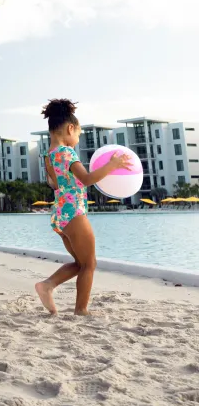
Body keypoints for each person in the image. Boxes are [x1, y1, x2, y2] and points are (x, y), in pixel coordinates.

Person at [35, 99, 133, 316]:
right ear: (70, 128)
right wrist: (112, 165)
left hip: (60, 215)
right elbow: (87, 179)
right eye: (78, 135)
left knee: (80, 263)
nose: (77, 140)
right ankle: (81, 310)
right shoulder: (67, 153)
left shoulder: (48, 156)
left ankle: (47, 286)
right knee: (89, 264)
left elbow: (53, 184)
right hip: (74, 212)